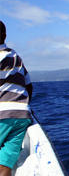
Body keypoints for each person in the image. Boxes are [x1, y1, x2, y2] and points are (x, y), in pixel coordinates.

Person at [0, 21, 33, 176]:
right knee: (4, 164)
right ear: (5, 35)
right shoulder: (16, 57)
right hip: (22, 115)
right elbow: (29, 85)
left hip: (2, 114)